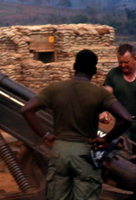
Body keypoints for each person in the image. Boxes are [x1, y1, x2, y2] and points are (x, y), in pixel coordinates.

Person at [21, 49, 131, 200]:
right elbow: (125, 118)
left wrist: (45, 135)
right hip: (85, 152)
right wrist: (106, 140)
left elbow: (27, 110)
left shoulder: (54, 89)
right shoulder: (100, 94)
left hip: (59, 151)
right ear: (94, 70)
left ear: (74, 66)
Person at [100, 44, 136, 147]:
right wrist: (104, 111)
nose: (123, 65)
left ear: (134, 58)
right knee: (125, 153)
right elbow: (106, 95)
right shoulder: (113, 74)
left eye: (126, 62)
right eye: (120, 62)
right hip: (122, 124)